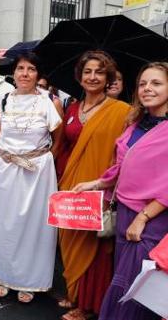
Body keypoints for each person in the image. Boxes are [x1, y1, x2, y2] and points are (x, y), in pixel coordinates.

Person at [73, 62, 168, 320]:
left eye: (156, 83)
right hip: (125, 211)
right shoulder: (137, 122)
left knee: (138, 287)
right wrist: (96, 184)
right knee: (122, 279)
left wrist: (144, 217)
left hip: (152, 218)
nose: (147, 88)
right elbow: (122, 164)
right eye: (143, 84)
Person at [56, 50, 131, 320]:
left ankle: (89, 305)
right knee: (70, 241)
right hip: (71, 185)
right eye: (87, 71)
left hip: (100, 188)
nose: (93, 76)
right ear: (79, 75)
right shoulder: (73, 108)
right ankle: (74, 293)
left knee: (95, 248)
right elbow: (64, 145)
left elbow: (124, 154)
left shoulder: (121, 111)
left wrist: (104, 185)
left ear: (109, 78)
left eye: (100, 72)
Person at [0, 52, 63, 303]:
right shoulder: (2, 101)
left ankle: (30, 280)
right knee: (5, 223)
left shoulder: (48, 102)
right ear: (14, 72)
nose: (25, 74)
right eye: (21, 68)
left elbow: (58, 138)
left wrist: (42, 160)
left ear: (38, 74)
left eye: (31, 69)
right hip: (6, 169)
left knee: (34, 226)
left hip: (37, 171)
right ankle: (3, 275)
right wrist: (8, 158)